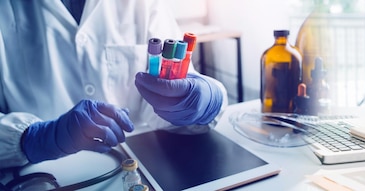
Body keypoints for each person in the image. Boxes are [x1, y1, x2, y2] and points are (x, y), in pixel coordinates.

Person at [0, 0, 227, 168]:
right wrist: (37, 138)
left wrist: (205, 101)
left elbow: (178, 84)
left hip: (140, 169)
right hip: (41, 175)